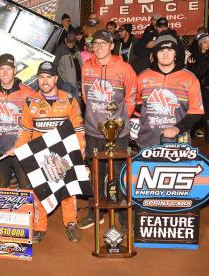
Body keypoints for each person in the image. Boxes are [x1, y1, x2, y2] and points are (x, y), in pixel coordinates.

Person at [15, 61, 86, 243]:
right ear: (37, 79)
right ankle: (39, 227)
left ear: (55, 78)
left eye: (48, 76)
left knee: (68, 191)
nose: (44, 81)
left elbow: (78, 128)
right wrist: (18, 149)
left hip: (64, 155)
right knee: (40, 191)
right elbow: (25, 131)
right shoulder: (31, 101)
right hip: (40, 156)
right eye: (41, 77)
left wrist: (80, 153)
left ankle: (71, 223)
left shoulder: (69, 99)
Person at [78, 30, 137, 231]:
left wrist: (118, 124)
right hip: (93, 130)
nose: (99, 47)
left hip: (118, 133)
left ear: (112, 45)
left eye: (104, 43)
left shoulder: (125, 68)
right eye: (96, 43)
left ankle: (122, 214)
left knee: (118, 173)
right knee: (96, 174)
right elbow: (86, 97)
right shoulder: (86, 67)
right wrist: (97, 117)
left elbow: (131, 99)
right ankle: (96, 212)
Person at [136, 35, 204, 148]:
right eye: (161, 50)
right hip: (147, 142)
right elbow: (136, 104)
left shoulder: (190, 78)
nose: (165, 54)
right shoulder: (143, 77)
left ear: (175, 53)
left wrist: (177, 128)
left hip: (179, 143)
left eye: (170, 50)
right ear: (155, 54)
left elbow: (196, 112)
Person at [0, 53, 35, 188]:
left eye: (9, 69)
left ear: (15, 71)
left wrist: (24, 144)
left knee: (26, 190)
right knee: (0, 190)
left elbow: (35, 122)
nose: (5, 72)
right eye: (2, 68)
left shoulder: (29, 93)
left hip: (22, 150)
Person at [53, 31, 83, 104]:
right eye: (69, 42)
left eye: (73, 42)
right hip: (66, 84)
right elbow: (54, 67)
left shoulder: (76, 48)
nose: (71, 44)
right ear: (65, 40)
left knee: (77, 104)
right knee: (67, 104)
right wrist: (62, 81)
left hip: (77, 82)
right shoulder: (60, 50)